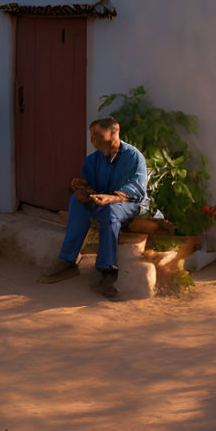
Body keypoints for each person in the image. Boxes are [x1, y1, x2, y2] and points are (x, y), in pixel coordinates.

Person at [38, 116, 147, 297]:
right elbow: (88, 187)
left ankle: (107, 270)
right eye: (91, 135)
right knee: (76, 202)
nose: (92, 140)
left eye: (96, 134)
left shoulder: (133, 156)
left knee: (110, 212)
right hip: (101, 202)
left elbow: (137, 191)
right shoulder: (93, 159)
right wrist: (81, 189)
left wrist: (111, 198)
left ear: (113, 132)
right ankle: (68, 260)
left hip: (127, 204)